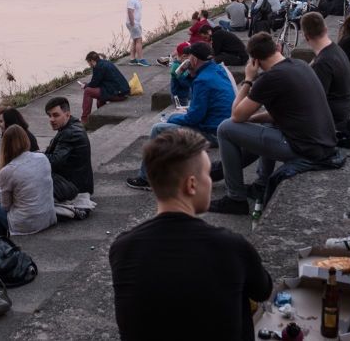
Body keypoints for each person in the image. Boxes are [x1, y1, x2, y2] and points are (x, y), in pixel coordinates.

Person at [110, 128, 272, 341]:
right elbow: (263, 290)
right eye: (207, 174)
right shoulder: (231, 246)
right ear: (192, 184)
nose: (210, 182)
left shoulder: (123, 248)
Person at [210, 32, 338, 214]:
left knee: (225, 129)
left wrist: (248, 79)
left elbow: (236, 116)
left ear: (254, 61)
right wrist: (252, 120)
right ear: (277, 48)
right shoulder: (300, 65)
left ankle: (235, 199)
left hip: (303, 149)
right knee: (266, 124)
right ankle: (261, 184)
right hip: (323, 144)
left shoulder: (270, 78)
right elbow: (280, 114)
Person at [126, 41, 234, 189]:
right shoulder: (217, 70)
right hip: (222, 126)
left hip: (213, 132)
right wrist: (189, 74)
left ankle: (146, 179)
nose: (185, 59)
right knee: (174, 121)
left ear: (194, 60)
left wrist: (173, 117)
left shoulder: (203, 80)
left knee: (159, 128)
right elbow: (201, 100)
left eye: (188, 56)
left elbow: (193, 118)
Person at [0, 125, 56, 236]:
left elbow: (6, 206)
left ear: (5, 146)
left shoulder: (7, 171)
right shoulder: (42, 158)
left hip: (28, 224)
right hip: (48, 217)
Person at [300, 11, 350, 132]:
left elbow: (316, 101)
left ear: (305, 36)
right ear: (326, 29)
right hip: (343, 111)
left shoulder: (323, 63)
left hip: (332, 120)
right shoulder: (335, 49)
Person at [44, 96, 94, 196]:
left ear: (67, 114)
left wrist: (35, 156)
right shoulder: (73, 124)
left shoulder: (70, 133)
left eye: (56, 115)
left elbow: (54, 161)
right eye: (49, 115)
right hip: (79, 182)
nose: (51, 119)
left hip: (75, 187)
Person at [81, 51, 131, 123]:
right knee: (100, 96)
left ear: (92, 61)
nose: (89, 65)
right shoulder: (105, 63)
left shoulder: (98, 67)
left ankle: (84, 119)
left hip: (118, 94)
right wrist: (88, 84)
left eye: (88, 63)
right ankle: (100, 114)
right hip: (123, 91)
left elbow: (94, 84)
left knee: (88, 91)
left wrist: (85, 86)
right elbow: (97, 82)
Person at [126, 0, 150, 65]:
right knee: (139, 40)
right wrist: (133, 23)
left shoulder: (137, 0)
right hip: (133, 23)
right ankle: (141, 59)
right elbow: (130, 11)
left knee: (135, 40)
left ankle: (132, 59)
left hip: (136, 23)